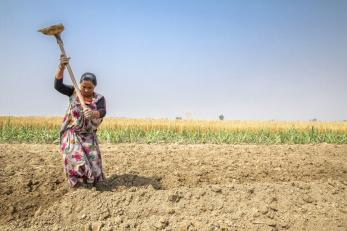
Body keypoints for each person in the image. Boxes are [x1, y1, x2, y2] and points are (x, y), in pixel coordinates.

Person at [54, 54, 106, 188]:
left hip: (89, 136)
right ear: (80, 85)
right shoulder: (73, 92)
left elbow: (102, 111)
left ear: (94, 87)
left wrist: (93, 113)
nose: (86, 90)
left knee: (93, 163)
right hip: (73, 134)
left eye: (90, 88)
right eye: (84, 87)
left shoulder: (99, 98)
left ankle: (89, 185)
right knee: (76, 159)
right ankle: (77, 185)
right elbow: (58, 86)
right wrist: (61, 68)